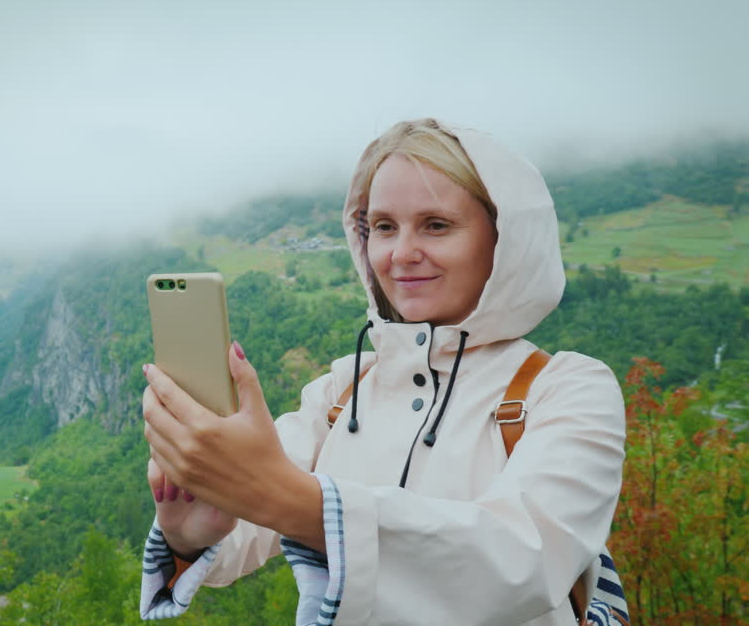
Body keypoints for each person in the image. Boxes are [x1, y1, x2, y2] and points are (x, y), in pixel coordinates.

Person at [140, 119, 628, 625]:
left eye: (436, 225)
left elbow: (521, 560)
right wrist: (191, 531)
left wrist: (287, 498)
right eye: (383, 227)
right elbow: (242, 528)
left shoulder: (567, 389)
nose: (400, 254)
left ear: (506, 241)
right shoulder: (341, 390)